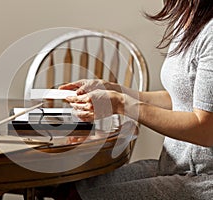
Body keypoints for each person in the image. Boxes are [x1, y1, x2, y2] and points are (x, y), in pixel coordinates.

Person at [57, 0, 213, 199]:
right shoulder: (187, 18)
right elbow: (181, 98)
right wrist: (114, 89)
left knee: (77, 196)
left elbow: (205, 130)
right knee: (71, 188)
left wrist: (120, 103)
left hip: (203, 179)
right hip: (173, 166)